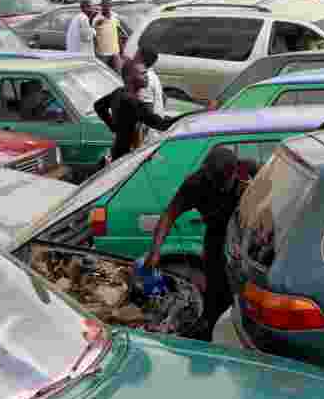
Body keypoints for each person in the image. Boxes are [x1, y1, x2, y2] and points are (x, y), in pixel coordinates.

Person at [144, 145, 259, 341]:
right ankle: (210, 332)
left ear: (235, 171)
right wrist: (155, 251)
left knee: (243, 292)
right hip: (215, 237)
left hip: (243, 235)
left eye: (223, 183)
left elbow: (271, 189)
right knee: (214, 292)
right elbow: (169, 215)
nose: (219, 187)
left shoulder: (248, 169)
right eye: (214, 182)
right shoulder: (195, 184)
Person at [94, 60, 176, 162]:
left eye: (146, 72)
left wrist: (114, 127)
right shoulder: (131, 102)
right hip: (127, 159)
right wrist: (185, 119)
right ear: (129, 77)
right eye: (142, 73)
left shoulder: (118, 93)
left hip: (118, 153)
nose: (147, 76)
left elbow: (98, 106)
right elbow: (160, 124)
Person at [135, 46, 165, 143]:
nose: (134, 55)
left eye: (137, 53)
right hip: (154, 132)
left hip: (147, 138)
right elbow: (164, 98)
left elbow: (147, 111)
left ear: (140, 57)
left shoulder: (144, 79)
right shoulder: (152, 75)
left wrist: (139, 140)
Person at [93, 0, 123, 72]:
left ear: (111, 6)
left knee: (119, 72)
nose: (106, 7)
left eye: (108, 5)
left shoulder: (115, 16)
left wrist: (121, 47)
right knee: (103, 72)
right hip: (103, 53)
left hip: (115, 51)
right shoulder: (97, 18)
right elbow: (94, 34)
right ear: (101, 6)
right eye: (104, 5)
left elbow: (118, 32)